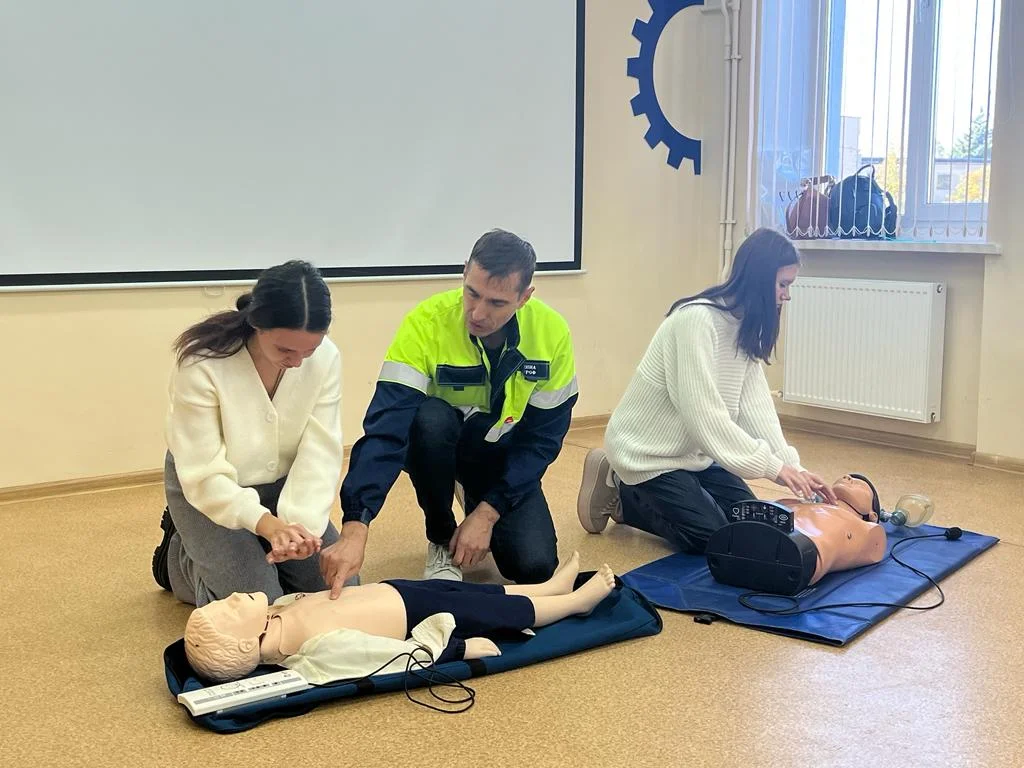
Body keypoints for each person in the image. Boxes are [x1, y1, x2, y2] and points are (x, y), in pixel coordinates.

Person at [321, 229, 578, 594]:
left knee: (534, 566)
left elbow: (541, 442)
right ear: (464, 272)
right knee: (429, 420)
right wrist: (356, 523)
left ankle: (477, 499)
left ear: (525, 297)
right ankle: (441, 535)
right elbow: (387, 428)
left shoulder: (552, 334)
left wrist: (489, 511)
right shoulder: (426, 323)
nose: (478, 312)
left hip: (500, 457)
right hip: (438, 447)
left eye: (497, 303)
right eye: (472, 293)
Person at [576, 228, 835, 554]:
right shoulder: (695, 321)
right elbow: (704, 417)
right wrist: (773, 468)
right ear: (758, 279)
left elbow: (756, 411)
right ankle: (622, 492)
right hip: (646, 456)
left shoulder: (743, 327)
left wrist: (793, 468)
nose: (787, 296)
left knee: (749, 524)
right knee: (713, 537)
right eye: (783, 284)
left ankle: (658, 494)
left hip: (695, 456)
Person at [151, 260, 352, 607]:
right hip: (208, 485)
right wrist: (267, 526)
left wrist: (300, 526)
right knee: (257, 603)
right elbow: (204, 473)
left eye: (309, 351)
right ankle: (179, 555)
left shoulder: (327, 358)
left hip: (283, 483)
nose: (297, 362)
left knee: (335, 590)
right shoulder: (201, 363)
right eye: (285, 350)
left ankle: (249, 549)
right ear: (257, 324)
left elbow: (321, 450)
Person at [183, 552, 616, 683]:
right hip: (416, 617)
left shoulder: (275, 615)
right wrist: (456, 649)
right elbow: (378, 655)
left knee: (479, 593)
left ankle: (548, 588)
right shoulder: (307, 651)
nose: (232, 597)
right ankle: (575, 603)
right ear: (246, 643)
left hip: (400, 591)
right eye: (229, 610)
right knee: (498, 613)